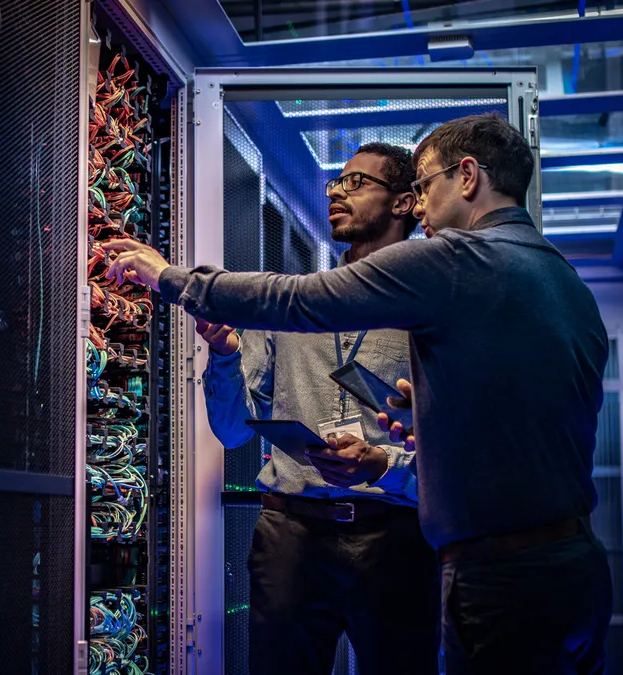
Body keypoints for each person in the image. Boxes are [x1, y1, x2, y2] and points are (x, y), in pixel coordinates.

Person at [103, 113, 612, 675]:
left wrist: (170, 277)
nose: (421, 207)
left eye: (424, 186)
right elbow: (531, 415)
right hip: (568, 563)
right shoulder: (562, 279)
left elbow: (298, 302)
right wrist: (434, 418)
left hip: (487, 568)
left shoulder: (458, 261)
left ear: (467, 177)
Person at [198, 144, 439, 675]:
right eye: (335, 183)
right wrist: (224, 355)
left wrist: (382, 462)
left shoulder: (428, 307)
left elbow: (456, 438)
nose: (335, 193)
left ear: (403, 204)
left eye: (355, 183)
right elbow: (234, 431)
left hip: (395, 534)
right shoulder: (290, 303)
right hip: (291, 533)